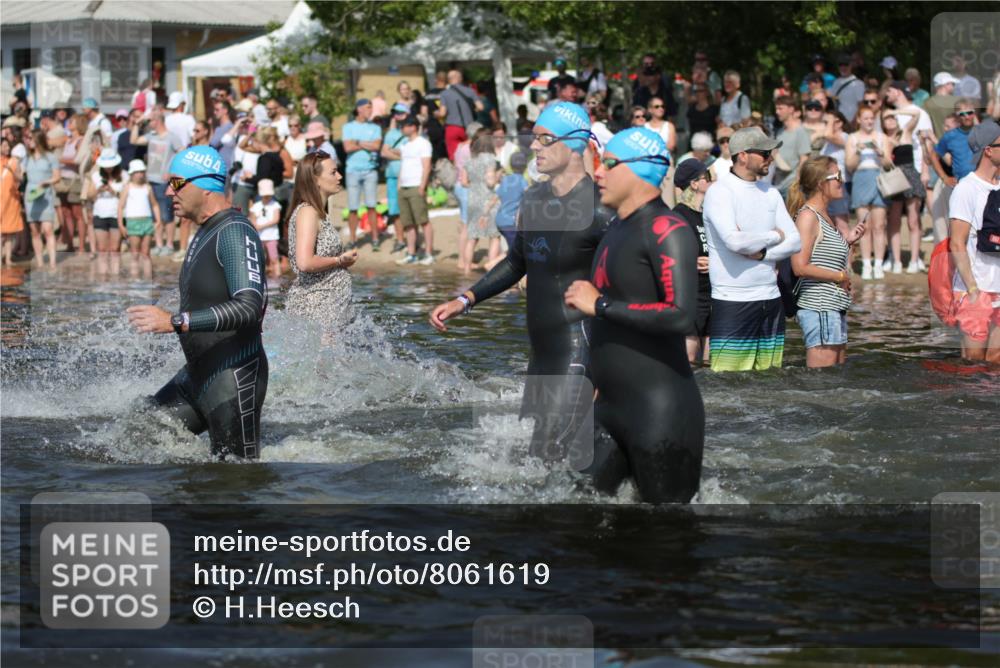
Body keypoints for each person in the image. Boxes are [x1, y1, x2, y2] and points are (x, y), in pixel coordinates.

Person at [430, 101, 612, 462]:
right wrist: (466, 299)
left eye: (544, 139)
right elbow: (517, 262)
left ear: (574, 145)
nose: (533, 147)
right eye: (534, 138)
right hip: (542, 353)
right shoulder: (535, 199)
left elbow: (627, 290)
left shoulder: (601, 210)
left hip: (581, 350)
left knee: (554, 459)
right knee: (538, 461)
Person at [561, 126, 701, 502]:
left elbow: (682, 315)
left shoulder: (667, 228)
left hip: (660, 412)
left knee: (664, 539)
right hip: (608, 408)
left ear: (642, 169)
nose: (599, 172)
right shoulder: (617, 230)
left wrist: (600, 305)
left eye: (609, 163)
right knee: (573, 514)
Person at [127, 145, 268, 459]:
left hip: (234, 379)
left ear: (206, 187)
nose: (167, 192)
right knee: (136, 433)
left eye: (176, 183)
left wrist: (176, 322)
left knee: (233, 483)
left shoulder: (234, 232)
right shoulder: (205, 231)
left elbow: (249, 307)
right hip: (197, 376)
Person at [702, 126, 802, 372]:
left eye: (771, 153)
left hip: (771, 297)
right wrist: (773, 235)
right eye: (764, 152)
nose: (770, 157)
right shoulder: (720, 192)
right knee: (728, 381)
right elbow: (734, 242)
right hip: (733, 299)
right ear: (743, 155)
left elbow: (795, 241)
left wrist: (764, 253)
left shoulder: (771, 192)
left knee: (770, 380)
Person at [787, 157, 867, 367]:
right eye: (838, 176)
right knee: (821, 383)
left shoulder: (826, 216)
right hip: (819, 307)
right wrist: (840, 276)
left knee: (836, 377)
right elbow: (799, 266)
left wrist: (848, 242)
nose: (842, 181)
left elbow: (823, 256)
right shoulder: (808, 216)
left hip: (834, 307)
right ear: (821, 183)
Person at [286, 151, 359, 335]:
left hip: (330, 308)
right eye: (333, 172)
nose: (339, 176)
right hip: (317, 309)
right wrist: (339, 260)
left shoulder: (319, 213)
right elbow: (305, 262)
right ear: (315, 179)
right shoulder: (308, 212)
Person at [947, 120, 1000, 363]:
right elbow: (957, 244)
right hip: (975, 289)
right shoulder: (966, 189)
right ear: (988, 150)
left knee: (996, 360)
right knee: (974, 360)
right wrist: (972, 290)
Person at [672, 158, 713, 365]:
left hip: (713, 292)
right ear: (694, 184)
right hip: (691, 294)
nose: (712, 182)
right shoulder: (679, 215)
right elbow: (668, 254)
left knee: (710, 362)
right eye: (708, 178)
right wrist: (689, 261)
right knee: (688, 359)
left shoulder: (708, 215)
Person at [846, 106, 892, 279]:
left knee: (879, 225)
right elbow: (849, 166)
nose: (869, 121)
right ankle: (866, 263)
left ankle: (878, 263)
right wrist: (858, 150)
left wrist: (880, 153)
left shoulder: (882, 137)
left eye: (872, 118)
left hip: (879, 178)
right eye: (865, 118)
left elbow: (888, 164)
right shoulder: (852, 138)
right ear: (859, 119)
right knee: (863, 225)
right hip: (860, 178)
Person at [131, 109, 185, 255]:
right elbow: (134, 140)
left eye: (151, 121)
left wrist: (173, 172)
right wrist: (137, 123)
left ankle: (169, 244)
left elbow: (183, 154)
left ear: (158, 121)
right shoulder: (151, 136)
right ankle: (159, 244)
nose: (148, 124)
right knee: (156, 215)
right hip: (151, 180)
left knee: (167, 214)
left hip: (165, 182)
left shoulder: (172, 137)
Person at [882, 107, 926, 273]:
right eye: (887, 118)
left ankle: (914, 260)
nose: (891, 120)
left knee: (913, 220)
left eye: (893, 118)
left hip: (910, 175)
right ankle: (897, 260)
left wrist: (897, 110)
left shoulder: (906, 132)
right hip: (893, 178)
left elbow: (916, 113)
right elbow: (886, 163)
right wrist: (888, 149)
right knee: (894, 220)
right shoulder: (884, 138)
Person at [391, 116, 435, 266]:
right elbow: (403, 165)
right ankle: (411, 253)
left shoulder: (423, 144)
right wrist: (399, 184)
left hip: (416, 186)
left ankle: (429, 253)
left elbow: (427, 166)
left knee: (423, 220)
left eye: (404, 126)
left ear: (413, 127)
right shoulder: (405, 145)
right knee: (408, 223)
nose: (402, 129)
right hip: (404, 187)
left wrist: (423, 186)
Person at [342, 98, 382, 249]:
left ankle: (375, 238)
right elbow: (347, 148)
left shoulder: (375, 127)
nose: (370, 110)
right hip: (352, 170)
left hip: (370, 170)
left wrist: (357, 142)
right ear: (359, 109)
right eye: (367, 107)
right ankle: (352, 239)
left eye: (371, 108)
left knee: (371, 205)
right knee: (353, 207)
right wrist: (367, 144)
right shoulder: (348, 126)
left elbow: (376, 146)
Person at [463, 131, 502, 271]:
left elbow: (463, 182)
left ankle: (466, 269)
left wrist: (476, 184)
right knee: (494, 236)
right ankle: (491, 269)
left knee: (472, 237)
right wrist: (499, 175)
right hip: (488, 201)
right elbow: (491, 182)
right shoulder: (490, 159)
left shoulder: (470, 161)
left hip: (473, 200)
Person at [22, 129, 61, 268]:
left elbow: (57, 177)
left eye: (31, 138)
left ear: (38, 140)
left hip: (45, 194)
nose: (28, 141)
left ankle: (52, 262)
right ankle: (39, 262)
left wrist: (47, 182)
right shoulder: (27, 158)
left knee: (48, 229)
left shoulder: (50, 157)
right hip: (31, 194)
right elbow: (21, 175)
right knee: (35, 231)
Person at [87, 148, 126, 271]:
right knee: (102, 249)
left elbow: (126, 196)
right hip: (100, 214)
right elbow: (89, 195)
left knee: (115, 249)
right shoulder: (96, 176)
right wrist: (99, 189)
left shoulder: (124, 175)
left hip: (116, 214)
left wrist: (112, 190)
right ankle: (103, 277)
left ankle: (115, 275)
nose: (109, 168)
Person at [55, 114, 88, 254]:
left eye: (72, 121)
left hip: (75, 180)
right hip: (63, 179)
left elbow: (78, 160)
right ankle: (69, 244)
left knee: (77, 213)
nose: (69, 123)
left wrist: (61, 160)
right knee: (65, 212)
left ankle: (81, 246)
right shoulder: (68, 141)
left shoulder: (80, 141)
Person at [117, 159, 160, 263]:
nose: (140, 175)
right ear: (131, 174)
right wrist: (121, 225)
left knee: (146, 253)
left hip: (147, 221)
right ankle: (135, 278)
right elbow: (120, 207)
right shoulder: (127, 187)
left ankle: (147, 277)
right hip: (133, 222)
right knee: (135, 253)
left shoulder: (147, 187)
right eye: (137, 172)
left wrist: (158, 220)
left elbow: (155, 205)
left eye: (142, 172)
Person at [381, 103, 410, 253]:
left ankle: (412, 240)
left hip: (408, 177)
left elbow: (411, 154)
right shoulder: (390, 133)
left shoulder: (412, 133)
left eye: (400, 113)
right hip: (392, 176)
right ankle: (400, 239)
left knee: (409, 209)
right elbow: (384, 153)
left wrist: (396, 152)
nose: (397, 116)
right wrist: (399, 154)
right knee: (395, 210)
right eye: (395, 113)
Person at [772, 95, 811, 197]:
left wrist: (797, 184)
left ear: (791, 109)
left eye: (780, 108)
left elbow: (804, 160)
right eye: (776, 108)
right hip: (778, 185)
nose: (777, 112)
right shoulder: (780, 132)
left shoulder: (800, 131)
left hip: (792, 186)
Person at [439, 70, 482, 161]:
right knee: (472, 154)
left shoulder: (444, 93)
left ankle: (458, 173)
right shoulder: (470, 91)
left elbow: (442, 113)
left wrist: (436, 114)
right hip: (469, 127)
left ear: (449, 80)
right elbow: (480, 107)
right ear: (460, 78)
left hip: (452, 128)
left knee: (454, 156)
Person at [494, 151, 529, 251]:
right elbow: (528, 194)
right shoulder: (522, 180)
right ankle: (491, 264)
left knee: (512, 248)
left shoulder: (505, 179)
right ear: (525, 166)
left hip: (499, 219)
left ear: (510, 165)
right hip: (510, 221)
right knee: (516, 251)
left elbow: (495, 197)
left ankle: (494, 262)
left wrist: (485, 214)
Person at [250, 179, 282, 279]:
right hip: (259, 238)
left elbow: (276, 219)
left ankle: (277, 278)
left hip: (271, 236)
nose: (267, 197)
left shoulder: (275, 205)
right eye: (265, 195)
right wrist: (255, 225)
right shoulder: (256, 206)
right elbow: (253, 220)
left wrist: (261, 226)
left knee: (274, 258)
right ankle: (261, 279)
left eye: (269, 195)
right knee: (260, 259)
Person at [1, 137, 25, 266]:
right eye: (4, 146)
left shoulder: (14, 162)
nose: (7, 148)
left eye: (8, 146)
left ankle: (8, 258)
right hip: (1, 201)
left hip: (11, 201)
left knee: (9, 232)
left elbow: (21, 179)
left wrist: (12, 172)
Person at [925, 72, 961, 139]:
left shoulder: (927, 103)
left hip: (937, 143)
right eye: (952, 84)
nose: (954, 86)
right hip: (957, 142)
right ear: (946, 84)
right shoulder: (958, 101)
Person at [831, 53, 866, 122]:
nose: (843, 67)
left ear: (851, 66)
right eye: (841, 65)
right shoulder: (836, 82)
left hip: (852, 121)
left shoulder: (859, 84)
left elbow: (861, 105)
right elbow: (834, 100)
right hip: (839, 120)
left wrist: (854, 121)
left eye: (846, 65)